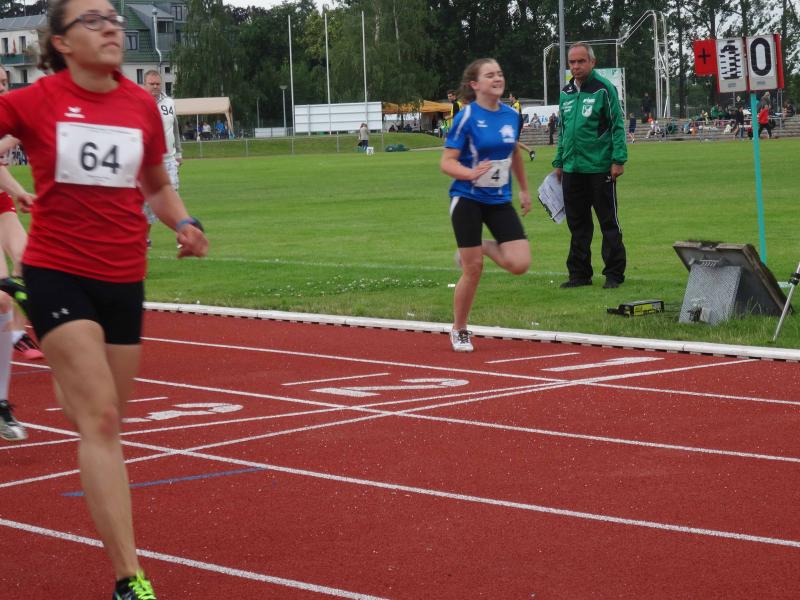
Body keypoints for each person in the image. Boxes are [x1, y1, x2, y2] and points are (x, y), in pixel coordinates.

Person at [0, 1, 209, 597]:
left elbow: (155, 184)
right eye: (92, 19)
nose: (112, 26)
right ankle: (128, 578)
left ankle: (66, 365)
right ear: (62, 43)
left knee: (100, 411)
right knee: (102, 421)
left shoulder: (139, 104)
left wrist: (183, 222)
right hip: (56, 272)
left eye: (114, 16)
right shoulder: (33, 101)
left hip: (123, 277)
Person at [440, 58, 531, 352]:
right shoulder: (466, 117)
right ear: (475, 84)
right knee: (474, 269)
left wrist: (524, 190)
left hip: (498, 199)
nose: (497, 78)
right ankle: (460, 329)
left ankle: (480, 245)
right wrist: (470, 173)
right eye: (490, 75)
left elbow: (514, 153)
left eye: (500, 74)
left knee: (520, 263)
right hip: (467, 197)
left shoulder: (511, 115)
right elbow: (447, 162)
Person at [552, 42, 627, 289]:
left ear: (592, 62)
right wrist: (559, 162)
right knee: (577, 224)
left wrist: (618, 159)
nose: (576, 66)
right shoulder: (566, 92)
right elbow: (563, 130)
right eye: (572, 62)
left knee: (608, 222)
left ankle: (614, 274)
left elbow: (617, 125)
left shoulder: (604, 89)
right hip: (572, 169)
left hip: (599, 167)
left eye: (581, 61)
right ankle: (579, 274)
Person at [142, 69, 183, 247]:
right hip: (146, 162)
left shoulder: (169, 103)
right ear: (145, 84)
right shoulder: (138, 102)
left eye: (158, 84)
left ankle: (182, 236)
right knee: (146, 203)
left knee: (173, 196)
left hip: (168, 159)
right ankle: (144, 238)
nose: (155, 87)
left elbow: (175, 129)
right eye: (151, 84)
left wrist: (179, 153)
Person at [509, 92, 535, 161]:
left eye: (510, 96)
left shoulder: (516, 104)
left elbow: (515, 115)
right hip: (516, 122)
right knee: (514, 141)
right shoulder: (513, 105)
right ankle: (530, 151)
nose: (509, 98)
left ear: (513, 97)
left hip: (517, 122)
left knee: (514, 141)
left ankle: (529, 151)